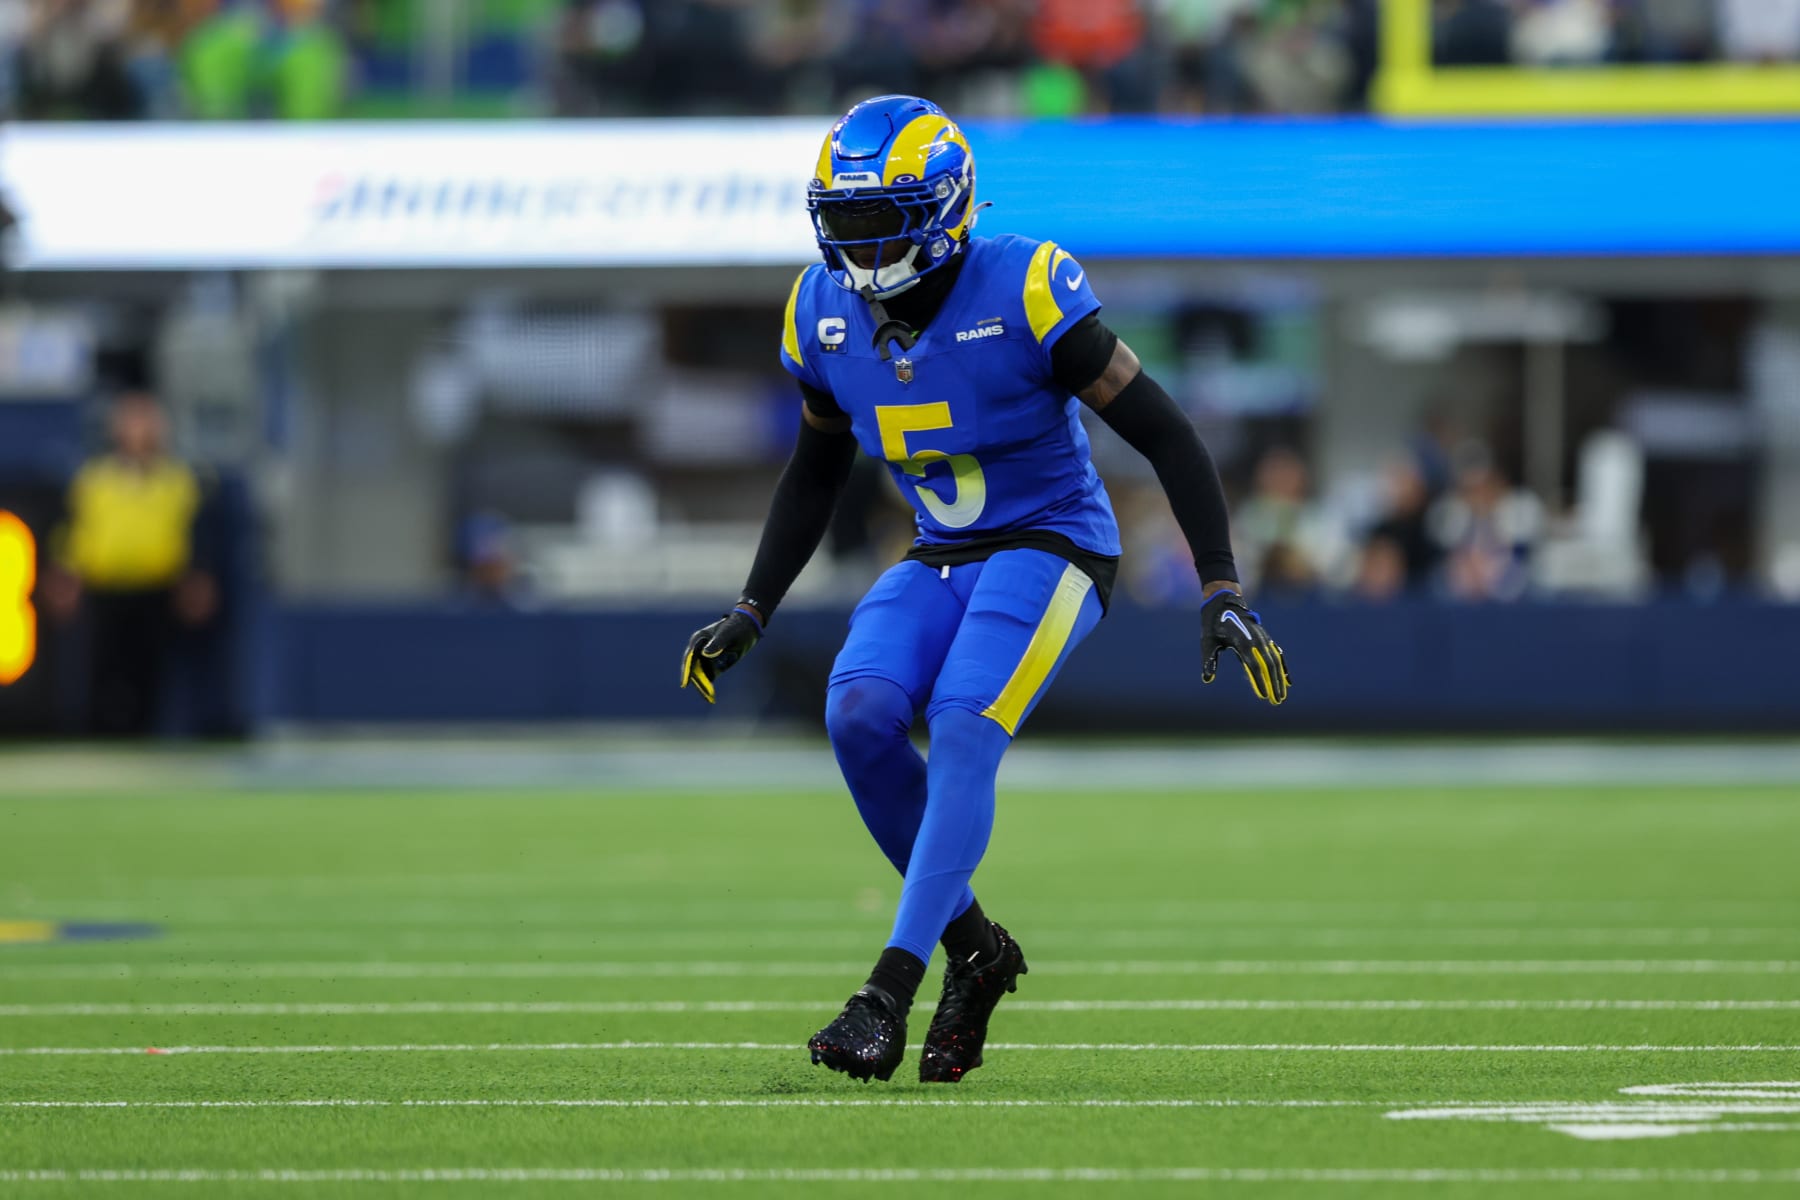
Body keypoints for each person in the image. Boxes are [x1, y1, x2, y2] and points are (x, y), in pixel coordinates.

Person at [679, 95, 1291, 1084]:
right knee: (860, 713)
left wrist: (1220, 582)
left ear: (946, 205)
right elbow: (814, 470)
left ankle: (888, 987)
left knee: (964, 723)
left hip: (1052, 543)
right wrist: (754, 606)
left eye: (886, 215)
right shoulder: (821, 311)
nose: (864, 241)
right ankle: (978, 951)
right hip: (939, 551)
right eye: (849, 216)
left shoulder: (1027, 287)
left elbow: (1168, 433)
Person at [44, 391, 215, 735]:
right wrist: (63, 578)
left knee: (150, 672)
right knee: (101, 670)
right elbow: (70, 531)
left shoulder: (178, 480)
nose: (141, 431)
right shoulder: (94, 479)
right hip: (104, 589)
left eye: (147, 421)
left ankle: (148, 739)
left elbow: (194, 535)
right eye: (133, 421)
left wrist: (196, 582)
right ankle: (97, 742)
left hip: (156, 589)